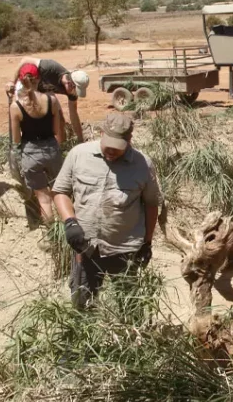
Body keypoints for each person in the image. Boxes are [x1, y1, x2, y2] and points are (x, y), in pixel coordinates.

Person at [52, 112, 162, 309]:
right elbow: (60, 191)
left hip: (125, 249)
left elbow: (152, 204)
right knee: (82, 302)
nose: (111, 151)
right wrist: (70, 222)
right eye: (108, 145)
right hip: (86, 247)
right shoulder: (78, 154)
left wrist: (147, 242)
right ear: (101, 133)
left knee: (128, 306)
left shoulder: (143, 164)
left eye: (118, 148)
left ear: (129, 140)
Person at [9, 63, 65, 224]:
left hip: (31, 154)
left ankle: (51, 233)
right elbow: (56, 130)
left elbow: (16, 139)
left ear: (21, 80)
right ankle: (68, 231)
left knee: (44, 200)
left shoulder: (16, 107)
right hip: (52, 150)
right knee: (59, 194)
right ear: (38, 79)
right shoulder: (51, 100)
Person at [5, 57, 90, 143]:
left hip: (44, 89)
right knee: (31, 114)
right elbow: (24, 60)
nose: (74, 93)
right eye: (75, 90)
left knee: (60, 119)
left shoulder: (72, 92)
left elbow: (73, 114)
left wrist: (80, 140)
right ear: (70, 83)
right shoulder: (50, 67)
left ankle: (60, 148)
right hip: (27, 83)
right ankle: (22, 144)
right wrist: (12, 81)